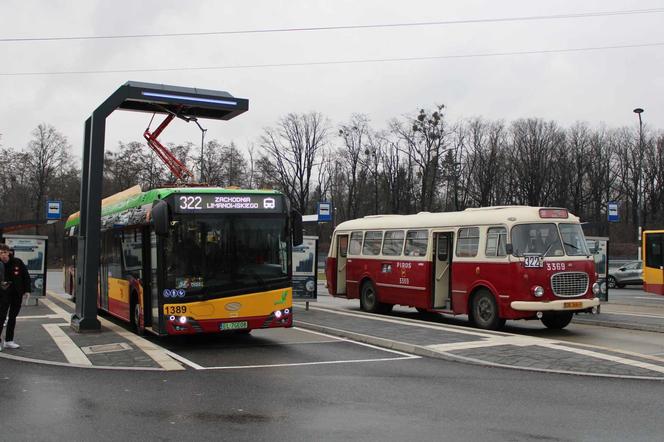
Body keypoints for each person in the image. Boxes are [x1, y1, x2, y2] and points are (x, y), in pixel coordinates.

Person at [0, 243, 31, 351]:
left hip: (16, 294)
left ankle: (8, 341)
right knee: (1, 317)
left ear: (8, 252)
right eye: (0, 253)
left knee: (12, 317)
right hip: (3, 294)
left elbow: (25, 276)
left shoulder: (17, 262)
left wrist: (27, 290)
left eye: (4, 252)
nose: (3, 255)